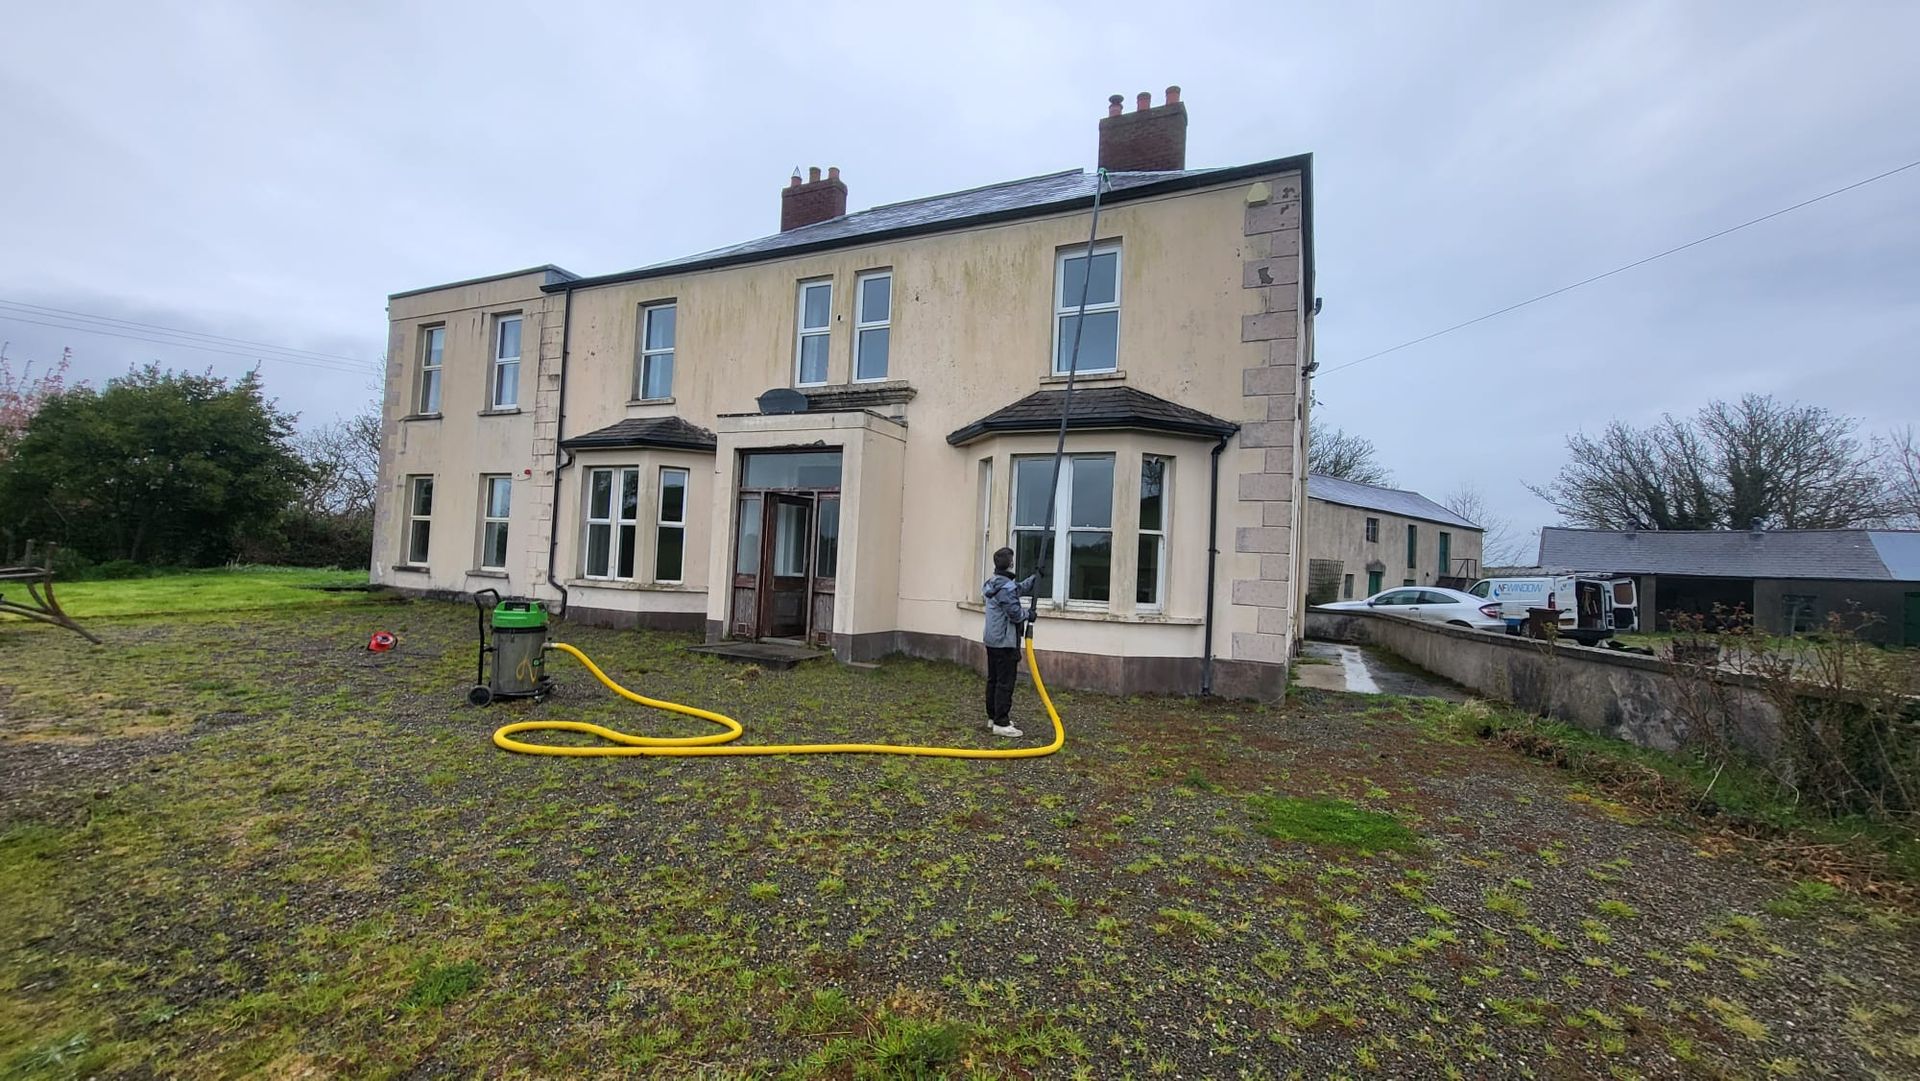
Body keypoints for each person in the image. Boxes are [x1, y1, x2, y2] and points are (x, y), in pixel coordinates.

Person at [981, 547, 1037, 737]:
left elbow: (1016, 590)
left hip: (992, 640)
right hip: (1005, 642)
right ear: (1011, 563)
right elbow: (1014, 613)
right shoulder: (1005, 587)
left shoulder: (994, 583)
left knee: (994, 680)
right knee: (1005, 682)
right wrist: (1029, 614)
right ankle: (1001, 723)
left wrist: (1033, 579)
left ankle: (993, 717)